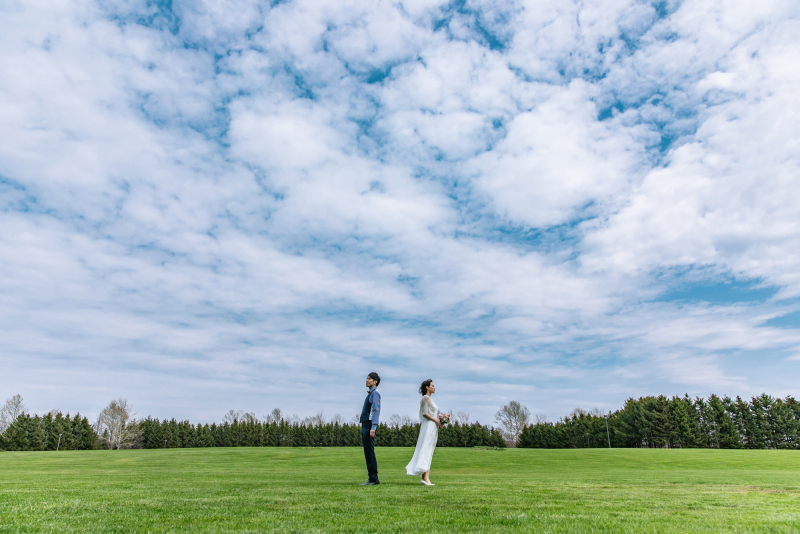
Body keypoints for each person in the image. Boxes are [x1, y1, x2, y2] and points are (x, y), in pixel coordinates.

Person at [405, 379, 443, 485]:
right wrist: (436, 420)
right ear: (427, 387)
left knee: (429, 450)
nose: (434, 387)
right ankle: (425, 478)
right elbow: (425, 414)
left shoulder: (431, 399)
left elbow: (433, 414)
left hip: (433, 426)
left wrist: (441, 419)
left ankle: (425, 477)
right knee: (426, 449)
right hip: (428, 426)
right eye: (432, 385)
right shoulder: (425, 398)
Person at [359, 372, 381, 485]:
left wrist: (373, 427)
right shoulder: (370, 394)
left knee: (370, 452)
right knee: (367, 452)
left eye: (369, 379)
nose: (367, 380)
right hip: (366, 424)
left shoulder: (375, 394)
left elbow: (376, 410)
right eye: (366, 378)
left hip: (369, 425)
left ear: (375, 381)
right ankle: (372, 477)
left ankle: (373, 478)